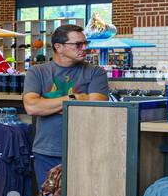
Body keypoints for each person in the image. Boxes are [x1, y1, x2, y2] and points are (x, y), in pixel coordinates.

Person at [22, 24, 109, 187]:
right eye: (78, 44)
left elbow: (95, 108)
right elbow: (32, 107)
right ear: (58, 47)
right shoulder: (37, 72)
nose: (84, 48)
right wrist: (74, 98)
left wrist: (48, 105)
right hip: (46, 151)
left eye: (85, 43)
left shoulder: (96, 72)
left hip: (85, 151)